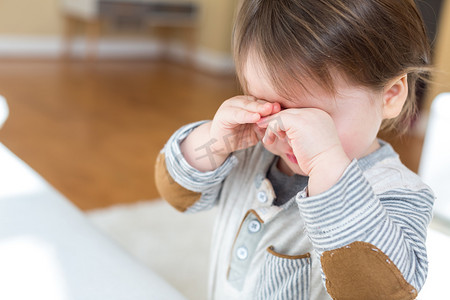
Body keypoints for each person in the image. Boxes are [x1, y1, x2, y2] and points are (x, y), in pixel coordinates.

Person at [155, 0, 435, 299]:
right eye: (266, 105)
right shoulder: (249, 151)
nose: (284, 130)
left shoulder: (399, 192)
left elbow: (381, 291)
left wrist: (326, 163)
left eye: (312, 117)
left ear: (390, 96)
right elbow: (177, 192)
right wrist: (215, 139)